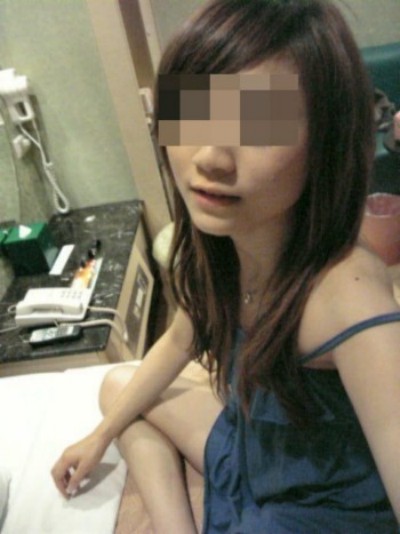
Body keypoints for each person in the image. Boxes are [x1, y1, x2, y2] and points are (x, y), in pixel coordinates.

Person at [52, 0, 400, 532]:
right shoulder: (222, 247)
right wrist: (97, 438)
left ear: (325, 141)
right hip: (255, 455)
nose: (210, 157)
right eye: (195, 114)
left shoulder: (347, 290)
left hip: (319, 511)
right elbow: (179, 340)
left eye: (258, 125)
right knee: (117, 388)